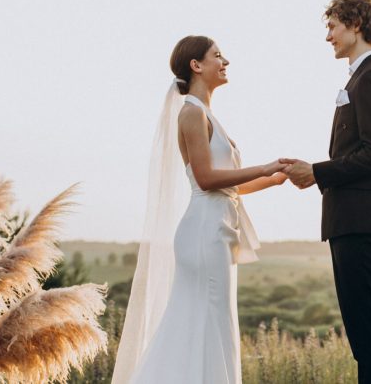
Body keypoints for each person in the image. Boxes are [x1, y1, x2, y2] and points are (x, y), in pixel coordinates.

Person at [112, 36, 288, 384]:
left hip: (218, 231)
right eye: (217, 56)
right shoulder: (192, 113)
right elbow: (206, 179)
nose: (226, 61)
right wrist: (264, 167)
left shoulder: (206, 114)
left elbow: (227, 184)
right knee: (208, 322)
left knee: (209, 323)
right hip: (205, 232)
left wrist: (275, 178)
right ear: (196, 65)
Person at [282, 0, 371, 383]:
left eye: (333, 26)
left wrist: (316, 172)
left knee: (367, 332)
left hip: (361, 221)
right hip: (350, 220)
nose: (328, 36)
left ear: (355, 25)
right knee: (361, 334)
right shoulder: (361, 78)